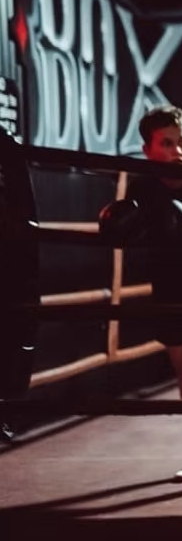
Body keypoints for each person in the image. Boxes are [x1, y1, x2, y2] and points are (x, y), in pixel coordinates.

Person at [99, 105, 182, 495]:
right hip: (168, 287)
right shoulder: (142, 189)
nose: (178, 150)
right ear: (148, 149)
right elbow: (131, 233)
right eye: (167, 143)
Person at [0, 129, 39, 443]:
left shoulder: (4, 144)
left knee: (11, 338)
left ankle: (5, 410)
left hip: (9, 263)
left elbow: (26, 216)